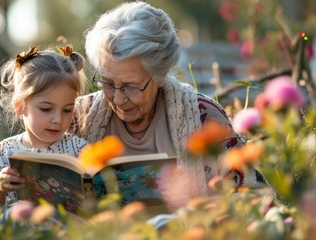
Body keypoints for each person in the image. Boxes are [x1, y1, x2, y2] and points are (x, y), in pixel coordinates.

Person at [71, 1, 271, 200]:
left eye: (130, 86)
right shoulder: (80, 116)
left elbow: (254, 193)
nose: (118, 97)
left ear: (159, 76)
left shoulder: (203, 116)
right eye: (107, 83)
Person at [0, 46, 89, 206]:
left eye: (67, 110)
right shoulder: (2, 154)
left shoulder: (81, 151)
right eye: (46, 109)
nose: (58, 119)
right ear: (20, 106)